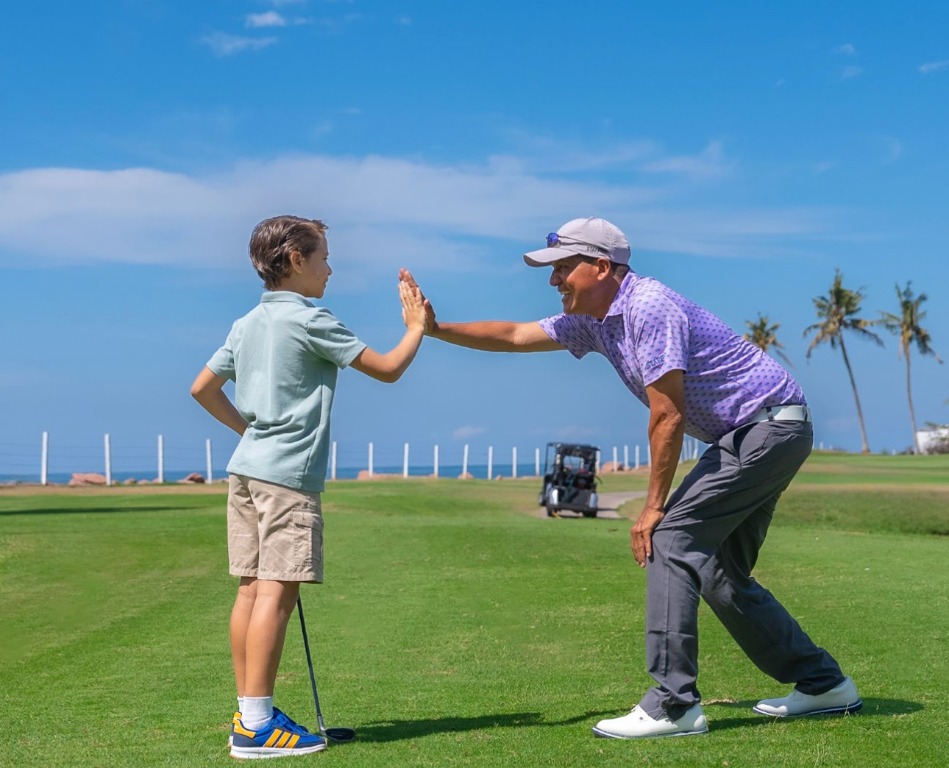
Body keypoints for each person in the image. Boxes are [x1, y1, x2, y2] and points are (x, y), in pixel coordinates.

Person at [400, 217, 860, 739]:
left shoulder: (648, 305)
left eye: (563, 269)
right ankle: (823, 684)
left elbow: (668, 415)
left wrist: (652, 507)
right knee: (721, 573)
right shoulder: (595, 319)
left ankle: (673, 704)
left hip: (764, 430)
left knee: (669, 539)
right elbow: (514, 334)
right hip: (761, 432)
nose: (554, 281)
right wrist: (434, 329)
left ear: (602, 266)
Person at [191, 215, 427, 758]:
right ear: (295, 260)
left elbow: (202, 388)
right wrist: (416, 326)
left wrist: (249, 429)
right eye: (322, 258)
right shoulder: (311, 319)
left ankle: (250, 712)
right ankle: (256, 726)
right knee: (277, 588)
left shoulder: (246, 323)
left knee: (251, 588)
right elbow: (388, 368)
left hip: (247, 468)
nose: (329, 268)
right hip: (287, 476)